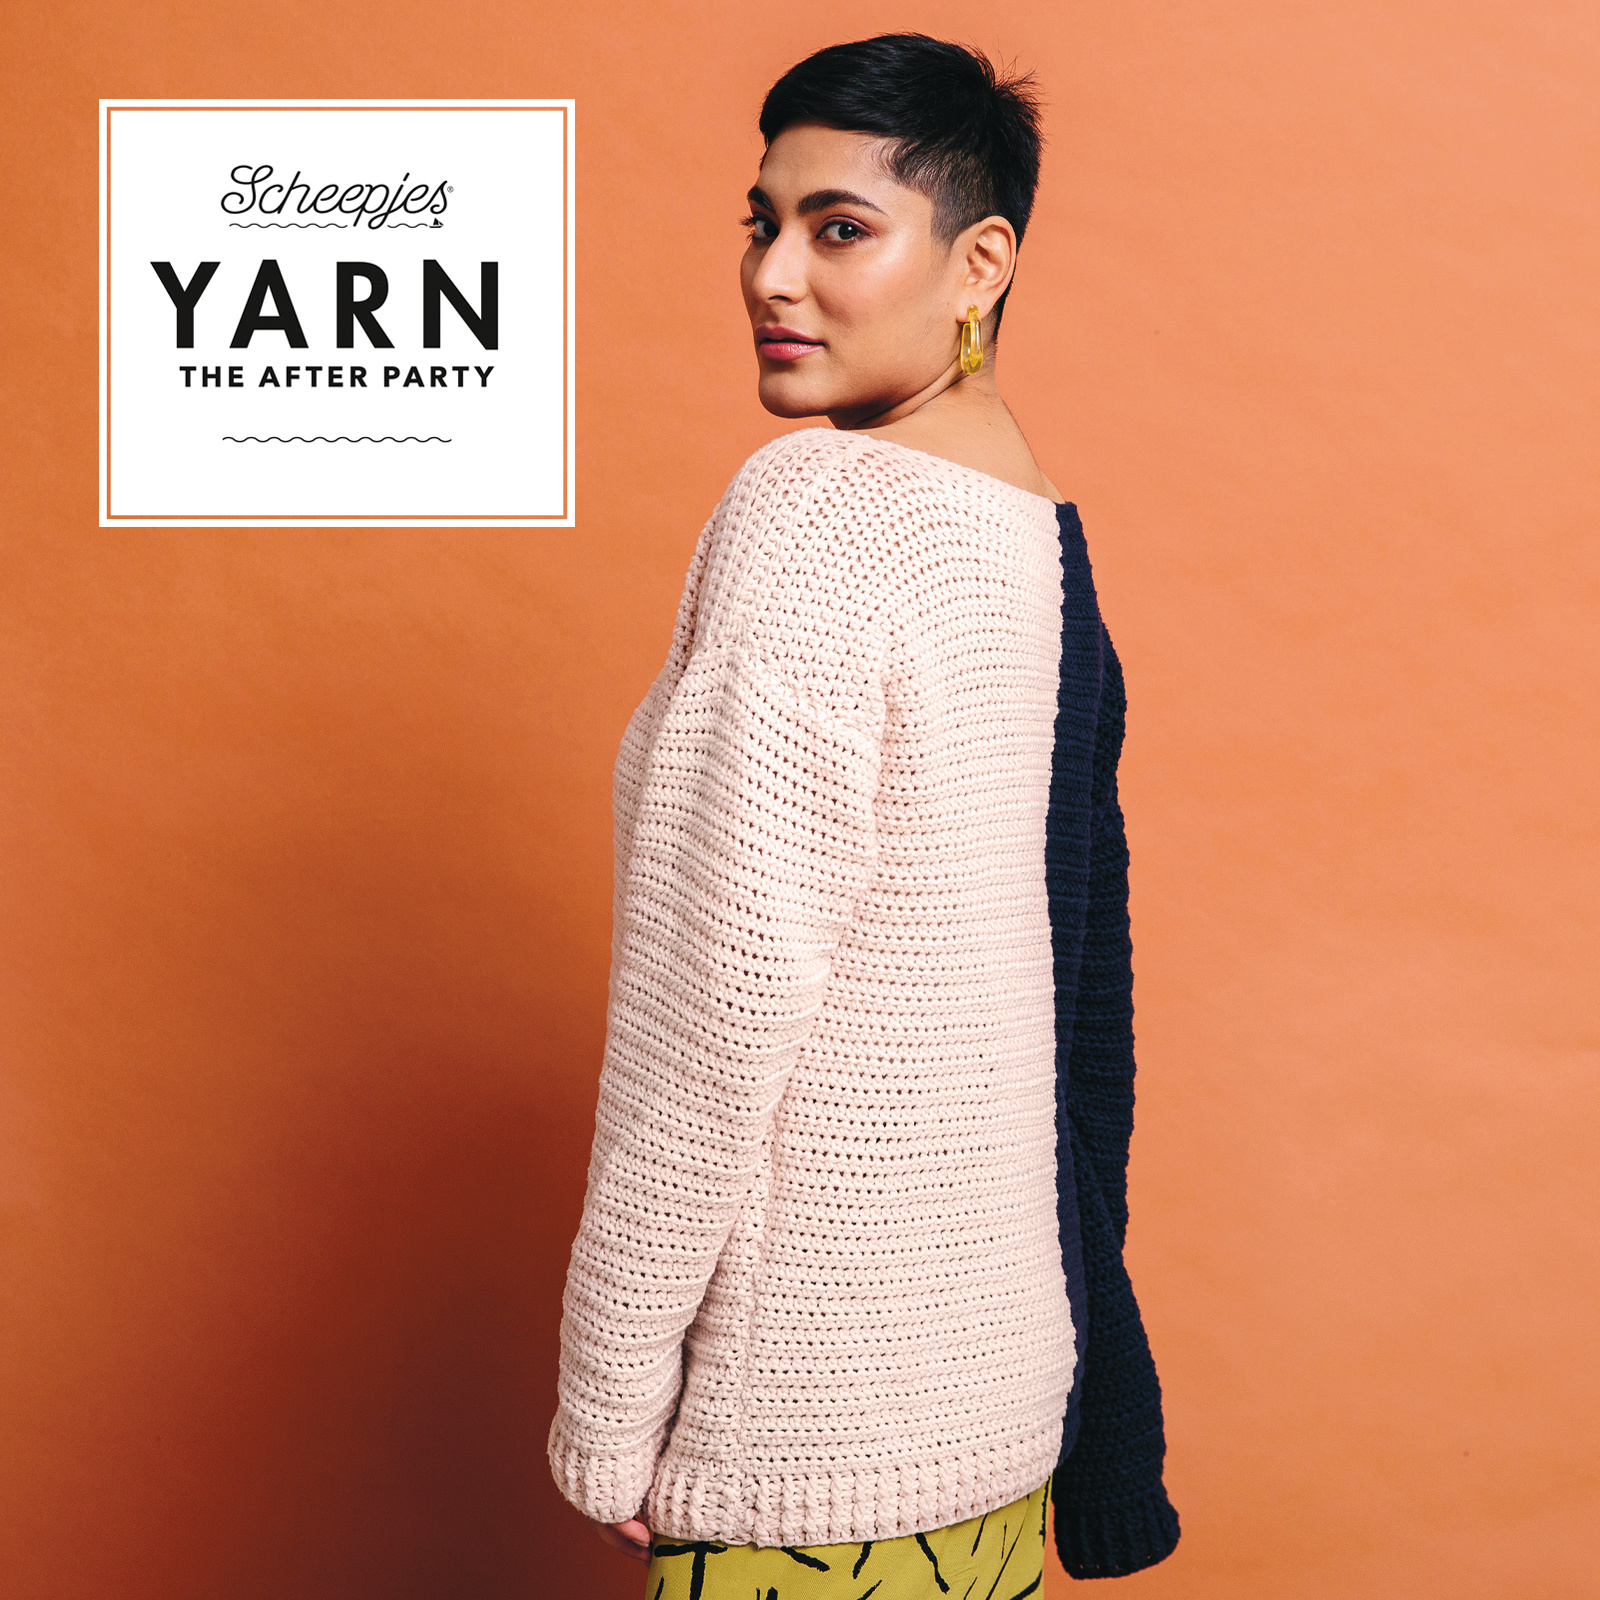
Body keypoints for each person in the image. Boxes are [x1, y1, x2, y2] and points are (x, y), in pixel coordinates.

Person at [549, 34, 1180, 1597]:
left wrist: (606, 1417)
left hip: (802, 1450)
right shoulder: (1042, 550)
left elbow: (715, 1018)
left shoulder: (817, 515)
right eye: (761, 222)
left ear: (981, 265)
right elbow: (1082, 1032)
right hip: (1000, 1427)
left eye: (840, 228)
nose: (773, 275)